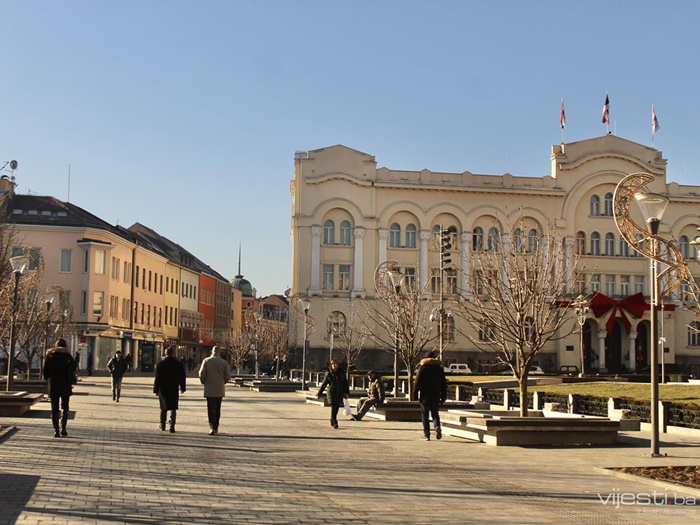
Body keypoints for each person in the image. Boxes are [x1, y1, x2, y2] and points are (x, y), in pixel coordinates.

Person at [42, 338, 77, 438]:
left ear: (56, 346)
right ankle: (64, 428)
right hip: (65, 385)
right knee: (65, 406)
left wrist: (49, 378)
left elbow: (46, 372)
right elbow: (74, 368)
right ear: (65, 346)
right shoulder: (68, 356)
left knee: (54, 408)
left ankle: (56, 430)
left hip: (54, 385)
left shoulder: (50, 356)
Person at [413, 351, 447, 441]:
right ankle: (437, 426)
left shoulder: (422, 368)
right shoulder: (439, 369)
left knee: (425, 415)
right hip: (435, 395)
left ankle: (427, 434)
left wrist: (415, 394)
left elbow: (417, 382)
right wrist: (443, 396)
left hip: (425, 396)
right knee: (435, 414)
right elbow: (443, 384)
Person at [198, 346, 232, 435]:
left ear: (211, 352)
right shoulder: (224, 362)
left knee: (210, 408)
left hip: (209, 388)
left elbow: (201, 373)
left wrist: (204, 381)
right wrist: (223, 382)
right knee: (217, 408)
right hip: (219, 388)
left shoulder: (206, 361)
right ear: (219, 352)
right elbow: (228, 376)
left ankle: (211, 427)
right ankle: (216, 426)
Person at [154, 346, 186, 433]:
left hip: (163, 388)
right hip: (173, 387)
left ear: (165, 353)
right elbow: (182, 377)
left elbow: (158, 378)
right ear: (173, 354)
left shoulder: (161, 364)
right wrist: (182, 387)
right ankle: (172, 426)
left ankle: (162, 424)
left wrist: (156, 389)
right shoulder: (178, 364)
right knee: (173, 407)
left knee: (163, 407)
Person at [316, 359, 349, 429]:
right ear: (331, 365)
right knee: (334, 406)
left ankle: (332, 419)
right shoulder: (328, 373)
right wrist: (319, 393)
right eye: (333, 364)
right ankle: (334, 421)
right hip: (332, 392)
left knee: (337, 407)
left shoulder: (341, 373)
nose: (335, 365)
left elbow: (345, 383)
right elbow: (324, 384)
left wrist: (346, 393)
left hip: (339, 392)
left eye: (336, 364)